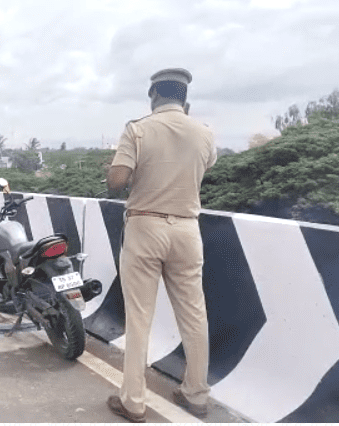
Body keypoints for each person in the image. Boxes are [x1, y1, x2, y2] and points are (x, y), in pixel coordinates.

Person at [105, 68, 217, 422]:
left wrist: (115, 170)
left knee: (139, 318)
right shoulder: (205, 134)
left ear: (152, 96)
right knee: (194, 314)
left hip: (146, 225)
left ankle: (134, 402)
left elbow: (117, 181)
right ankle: (196, 394)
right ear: (186, 101)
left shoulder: (137, 129)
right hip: (187, 229)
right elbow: (203, 169)